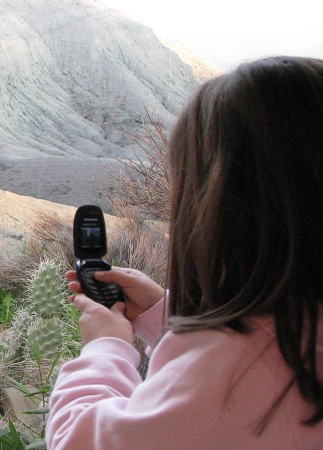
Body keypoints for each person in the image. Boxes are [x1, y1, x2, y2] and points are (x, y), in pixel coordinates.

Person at [46, 56, 323, 449]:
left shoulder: (228, 367)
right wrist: (166, 314)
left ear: (217, 215)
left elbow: (81, 440)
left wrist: (105, 348)